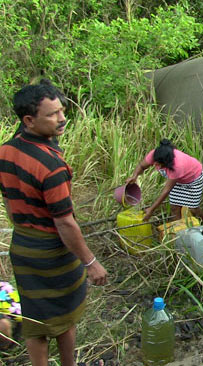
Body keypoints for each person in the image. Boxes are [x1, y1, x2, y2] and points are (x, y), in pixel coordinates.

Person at [0, 79, 108, 366]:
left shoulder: (5, 151)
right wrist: (90, 262)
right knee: (65, 315)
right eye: (52, 114)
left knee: (35, 319)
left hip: (22, 246)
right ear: (29, 120)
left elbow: (9, 202)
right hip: (53, 253)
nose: (62, 119)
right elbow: (65, 224)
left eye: (62, 110)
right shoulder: (52, 167)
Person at [127, 139, 203, 222]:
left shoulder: (177, 166)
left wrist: (151, 210)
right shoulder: (155, 154)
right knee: (175, 207)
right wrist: (134, 176)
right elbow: (142, 166)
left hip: (193, 179)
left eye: (159, 164)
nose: (155, 165)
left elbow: (166, 191)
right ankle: (177, 230)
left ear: (167, 163)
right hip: (178, 180)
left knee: (193, 209)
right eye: (155, 163)